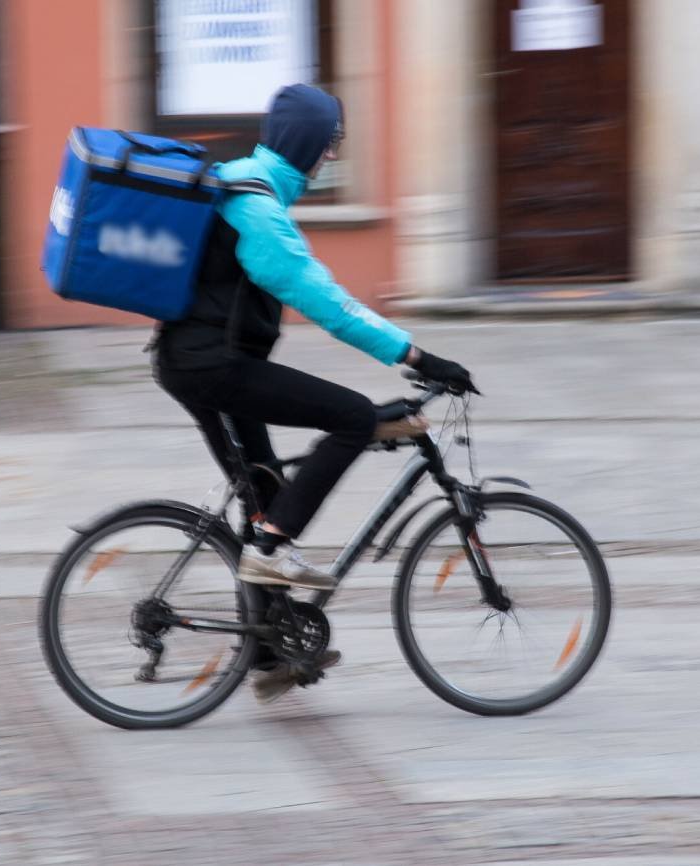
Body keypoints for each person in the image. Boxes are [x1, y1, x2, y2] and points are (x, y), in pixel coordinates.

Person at [153, 84, 477, 701]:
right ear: (306, 143)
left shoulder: (250, 183)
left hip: (203, 364)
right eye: (329, 144)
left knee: (267, 490)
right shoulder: (256, 206)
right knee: (352, 417)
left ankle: (272, 655)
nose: (331, 157)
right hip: (209, 368)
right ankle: (273, 549)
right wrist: (416, 355)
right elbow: (327, 303)